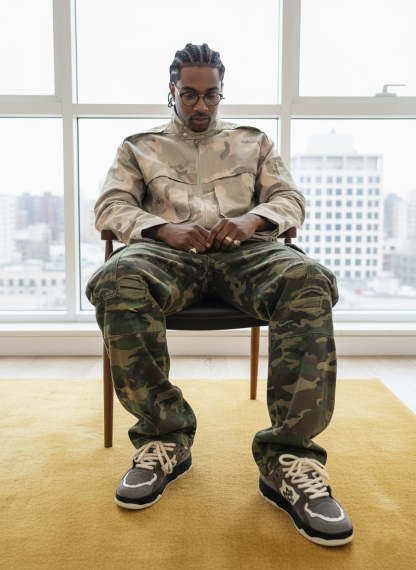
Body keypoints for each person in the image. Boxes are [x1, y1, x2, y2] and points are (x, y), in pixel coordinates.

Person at [86, 43, 353, 547]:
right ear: (172, 91)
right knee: (116, 279)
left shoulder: (254, 142)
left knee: (309, 279)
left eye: (211, 95)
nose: (201, 105)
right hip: (167, 256)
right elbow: (111, 206)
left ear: (221, 93)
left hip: (246, 254)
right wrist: (163, 229)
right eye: (189, 94)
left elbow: (289, 199)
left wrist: (253, 220)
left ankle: (289, 459)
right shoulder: (138, 146)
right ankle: (165, 438)